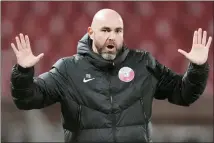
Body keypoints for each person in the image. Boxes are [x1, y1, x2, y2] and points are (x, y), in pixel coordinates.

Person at [10, 9, 212, 143]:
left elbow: (183, 94)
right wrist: (23, 72)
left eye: (117, 31)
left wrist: (197, 67)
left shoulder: (143, 64)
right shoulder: (68, 70)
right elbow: (27, 99)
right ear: (90, 32)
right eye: (105, 30)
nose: (111, 37)